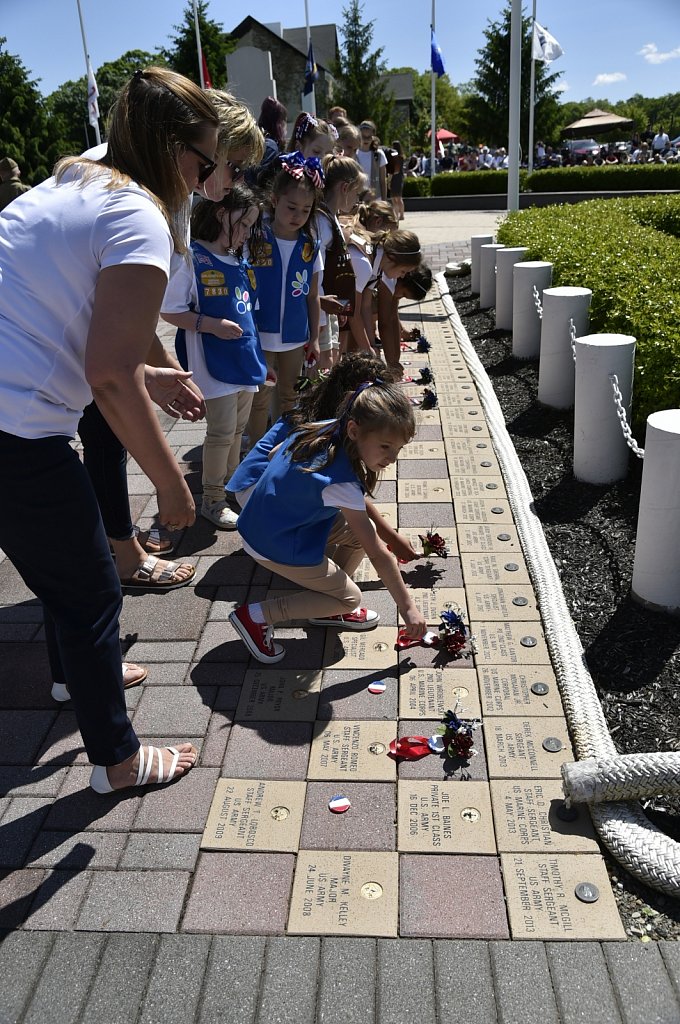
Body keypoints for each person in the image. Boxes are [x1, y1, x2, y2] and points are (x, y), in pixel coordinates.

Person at [0, 66, 220, 793]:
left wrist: (141, 371)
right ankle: (118, 763)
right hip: (16, 428)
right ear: (170, 148)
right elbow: (106, 376)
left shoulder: (73, 181)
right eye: (204, 159)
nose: (205, 177)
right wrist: (169, 484)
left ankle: (74, 682)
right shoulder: (139, 214)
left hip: (11, 414)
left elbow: (80, 329)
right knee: (95, 588)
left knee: (63, 574)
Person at [229, 381, 427, 662]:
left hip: (265, 520)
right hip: (275, 542)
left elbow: (274, 455)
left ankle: (329, 606)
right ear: (355, 431)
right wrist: (408, 609)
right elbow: (379, 555)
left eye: (398, 448)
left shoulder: (327, 427)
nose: (392, 458)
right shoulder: (342, 480)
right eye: (385, 447)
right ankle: (256, 616)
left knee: (357, 536)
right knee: (352, 598)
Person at [161, 184, 267, 529]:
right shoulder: (192, 258)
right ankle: (212, 498)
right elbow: (171, 311)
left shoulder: (238, 258)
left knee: (237, 429)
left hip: (244, 361)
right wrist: (210, 325)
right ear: (223, 213)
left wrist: (259, 360)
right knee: (222, 431)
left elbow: (248, 313)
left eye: (252, 226)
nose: (248, 232)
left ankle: (232, 487)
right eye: (245, 223)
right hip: (212, 364)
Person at [246, 154, 324, 447]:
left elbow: (313, 296)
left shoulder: (311, 246)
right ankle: (255, 454)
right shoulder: (254, 238)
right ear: (275, 200)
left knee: (289, 395)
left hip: (294, 337)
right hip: (259, 334)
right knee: (259, 398)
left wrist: (314, 338)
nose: (298, 215)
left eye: (306, 210)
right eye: (291, 207)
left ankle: (282, 451)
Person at [316, 155, 365, 370]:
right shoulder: (321, 221)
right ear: (345, 188)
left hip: (330, 306)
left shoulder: (331, 216)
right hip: (320, 307)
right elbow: (314, 270)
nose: (357, 201)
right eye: (357, 193)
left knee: (333, 357)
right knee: (323, 365)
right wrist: (318, 312)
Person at [345, 227, 423, 360]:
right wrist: (367, 349)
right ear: (392, 257)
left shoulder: (377, 262)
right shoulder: (364, 265)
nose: (402, 277)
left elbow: (365, 307)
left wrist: (372, 344)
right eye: (403, 271)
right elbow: (354, 314)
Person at [246, 95, 287, 189]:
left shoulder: (258, 140)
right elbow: (262, 180)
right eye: (284, 121)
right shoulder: (271, 147)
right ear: (279, 123)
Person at [357, 120, 387, 200]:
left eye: (369, 137)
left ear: (373, 136)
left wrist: (384, 200)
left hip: (376, 198)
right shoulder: (354, 154)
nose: (366, 140)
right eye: (363, 137)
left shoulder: (379, 154)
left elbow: (383, 180)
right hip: (358, 198)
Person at [388, 141, 405, 222]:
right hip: (400, 177)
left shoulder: (394, 155)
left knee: (394, 198)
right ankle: (401, 215)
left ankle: (396, 215)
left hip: (394, 177)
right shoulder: (401, 156)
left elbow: (393, 169)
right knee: (399, 197)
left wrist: (389, 179)